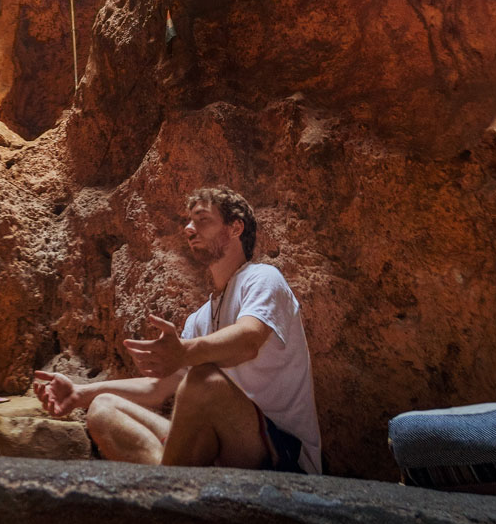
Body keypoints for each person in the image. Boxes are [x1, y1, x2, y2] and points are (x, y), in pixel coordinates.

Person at [34, 186, 322, 473]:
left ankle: (168, 491)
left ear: (235, 228)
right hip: (225, 452)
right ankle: (172, 481)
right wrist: (80, 394)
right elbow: (159, 388)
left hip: (283, 457)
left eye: (202, 219)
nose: (188, 228)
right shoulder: (200, 318)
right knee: (104, 408)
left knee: (204, 381)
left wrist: (184, 352)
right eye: (188, 221)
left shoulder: (262, 278)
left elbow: (248, 340)